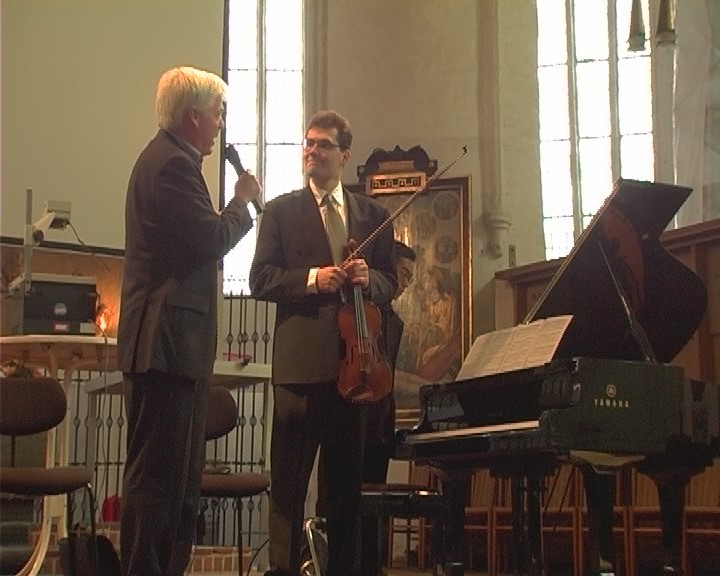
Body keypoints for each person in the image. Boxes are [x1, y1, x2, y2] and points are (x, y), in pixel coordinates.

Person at [117, 65, 261, 576]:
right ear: (193, 116)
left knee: (176, 482)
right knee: (160, 481)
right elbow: (210, 239)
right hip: (166, 346)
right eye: (217, 113)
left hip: (171, 346)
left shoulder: (168, 159)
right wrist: (242, 202)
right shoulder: (172, 166)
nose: (221, 124)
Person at [249, 109, 397, 576]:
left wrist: (370, 278)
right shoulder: (280, 211)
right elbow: (260, 279)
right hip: (300, 368)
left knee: (345, 490)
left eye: (323, 145)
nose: (312, 151)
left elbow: (392, 282)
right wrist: (314, 279)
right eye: (308, 143)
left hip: (355, 370)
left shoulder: (373, 215)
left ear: (344, 155)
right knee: (289, 488)